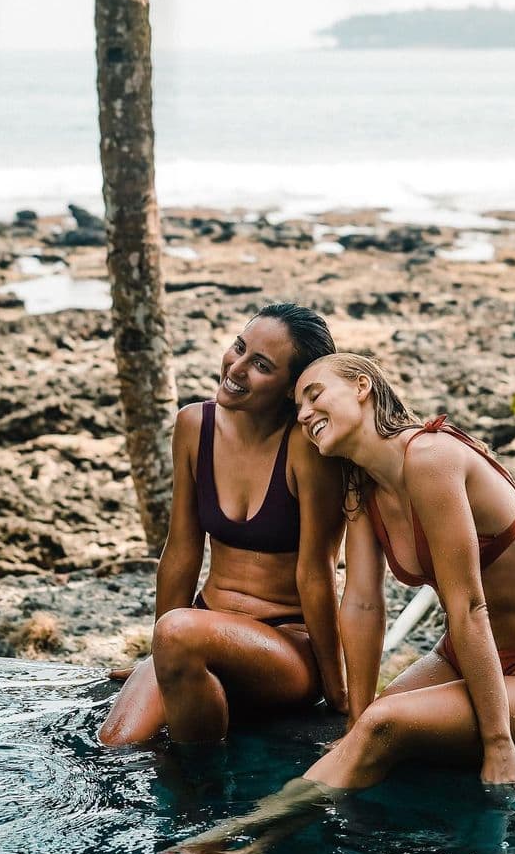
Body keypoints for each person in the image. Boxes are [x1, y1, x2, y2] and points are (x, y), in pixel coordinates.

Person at [170, 351, 515, 854]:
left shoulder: (431, 457)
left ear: (362, 386)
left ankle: (244, 833)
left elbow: (468, 608)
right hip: (460, 659)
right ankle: (263, 842)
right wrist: (354, 714)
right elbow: (363, 605)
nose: (303, 414)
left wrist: (498, 742)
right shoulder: (362, 487)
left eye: (314, 395)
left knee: (385, 722)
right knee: (369, 730)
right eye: (298, 406)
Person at [98, 304, 346, 746]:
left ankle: (199, 781)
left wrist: (337, 689)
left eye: (261, 365)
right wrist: (160, 656)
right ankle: (195, 789)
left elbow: (317, 571)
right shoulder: (195, 425)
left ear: (292, 389)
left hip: (285, 647)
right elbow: (181, 548)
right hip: (194, 632)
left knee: (178, 631)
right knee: (115, 743)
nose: (237, 367)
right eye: (239, 347)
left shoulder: (307, 450)